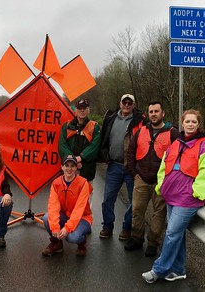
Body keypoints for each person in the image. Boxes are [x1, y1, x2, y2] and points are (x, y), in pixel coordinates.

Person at [142, 109, 205, 283]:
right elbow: (164, 166)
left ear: (199, 124)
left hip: (187, 200)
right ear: (182, 123)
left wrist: (196, 193)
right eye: (187, 121)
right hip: (171, 196)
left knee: (171, 233)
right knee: (177, 234)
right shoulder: (176, 143)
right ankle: (178, 269)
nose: (190, 124)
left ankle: (159, 270)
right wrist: (162, 186)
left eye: (194, 122)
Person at [125, 101, 179, 257]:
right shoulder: (141, 131)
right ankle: (136, 238)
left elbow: (179, 156)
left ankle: (153, 243)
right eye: (151, 112)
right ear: (148, 114)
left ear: (163, 113)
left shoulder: (172, 132)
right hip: (140, 178)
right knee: (136, 210)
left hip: (161, 181)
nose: (153, 114)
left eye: (156, 111)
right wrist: (133, 171)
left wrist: (171, 178)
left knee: (159, 213)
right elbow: (131, 151)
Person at [99, 94, 147, 240]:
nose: (126, 105)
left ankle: (127, 228)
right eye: (124, 102)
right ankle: (107, 226)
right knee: (107, 199)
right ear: (120, 104)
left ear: (133, 105)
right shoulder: (111, 118)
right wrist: (103, 155)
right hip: (114, 165)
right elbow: (103, 138)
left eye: (129, 103)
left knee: (134, 201)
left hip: (132, 168)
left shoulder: (141, 121)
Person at [42, 154, 93, 257]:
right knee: (47, 218)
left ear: (76, 167)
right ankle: (56, 244)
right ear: (62, 167)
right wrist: (55, 228)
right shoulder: (56, 183)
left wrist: (67, 228)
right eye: (67, 165)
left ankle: (82, 243)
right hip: (66, 214)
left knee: (72, 237)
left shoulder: (83, 183)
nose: (69, 169)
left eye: (72, 166)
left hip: (83, 218)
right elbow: (53, 206)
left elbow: (79, 209)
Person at [58, 99, 101, 182]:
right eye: (79, 108)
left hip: (86, 172)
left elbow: (94, 147)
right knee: (67, 194)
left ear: (88, 110)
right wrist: (73, 159)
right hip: (68, 171)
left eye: (84, 108)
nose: (82, 110)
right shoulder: (67, 126)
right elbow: (62, 145)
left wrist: (81, 157)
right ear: (75, 110)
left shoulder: (95, 127)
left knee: (85, 194)